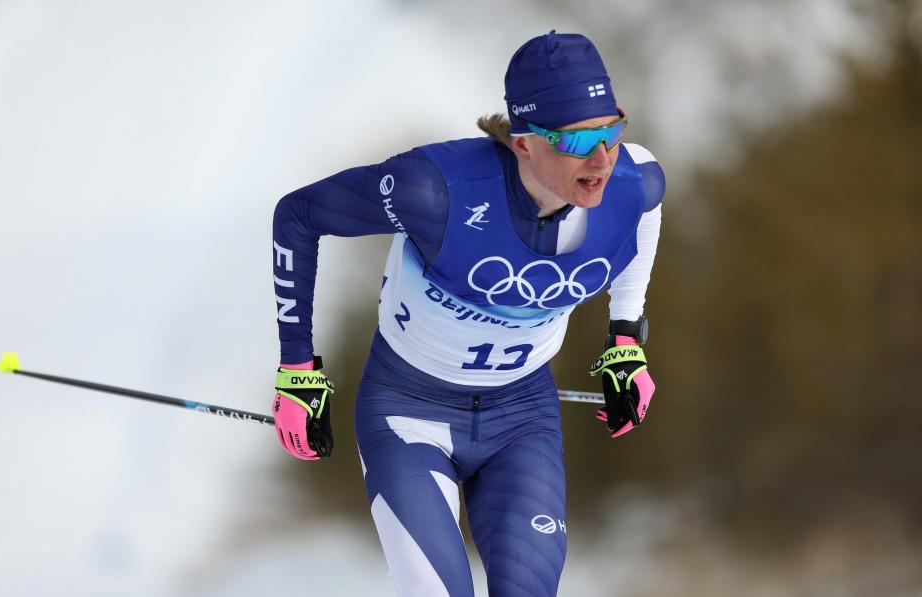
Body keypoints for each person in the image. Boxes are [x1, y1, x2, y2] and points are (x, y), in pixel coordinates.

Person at [271, 30, 665, 597]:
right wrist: (297, 369)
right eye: (577, 143)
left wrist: (625, 336)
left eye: (611, 131)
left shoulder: (635, 180)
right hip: (409, 412)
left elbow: (645, 215)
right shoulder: (434, 190)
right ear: (524, 142)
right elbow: (298, 215)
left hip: (521, 418)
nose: (602, 160)